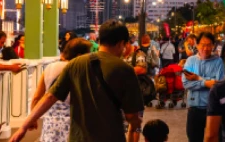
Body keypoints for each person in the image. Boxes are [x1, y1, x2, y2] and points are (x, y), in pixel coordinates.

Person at [11, 20, 144, 142]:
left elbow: (50, 96)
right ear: (121, 43)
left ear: (100, 39)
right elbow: (131, 115)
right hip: (110, 137)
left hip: (78, 138)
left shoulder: (75, 64)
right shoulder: (125, 69)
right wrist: (136, 125)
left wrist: (24, 126)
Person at [28, 38, 92, 142]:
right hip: (73, 124)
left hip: (51, 123)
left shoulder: (49, 68)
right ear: (80, 55)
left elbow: (36, 97)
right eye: (88, 53)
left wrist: (33, 118)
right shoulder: (81, 70)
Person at [183, 32, 225, 142]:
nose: (205, 48)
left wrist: (197, 78)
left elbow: (218, 84)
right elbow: (186, 83)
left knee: (215, 138)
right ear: (197, 45)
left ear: (213, 45)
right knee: (193, 138)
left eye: (209, 45)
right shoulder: (191, 61)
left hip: (213, 108)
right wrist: (206, 83)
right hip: (194, 108)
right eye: (203, 44)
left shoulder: (218, 62)